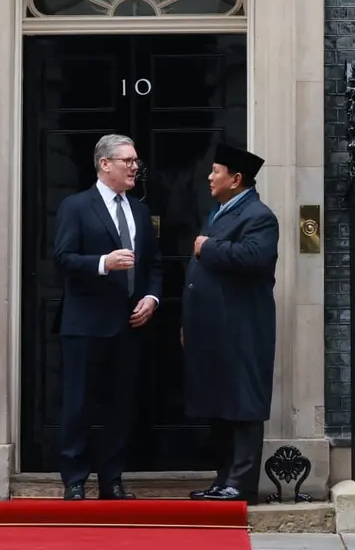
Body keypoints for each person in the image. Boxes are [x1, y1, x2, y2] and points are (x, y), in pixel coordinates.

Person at [52, 134, 162, 501]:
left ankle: (112, 479)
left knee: (120, 405)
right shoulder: (76, 206)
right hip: (84, 324)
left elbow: (155, 265)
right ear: (104, 164)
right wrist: (103, 263)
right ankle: (75, 479)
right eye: (128, 160)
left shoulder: (141, 212)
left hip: (128, 324)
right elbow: (63, 259)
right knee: (79, 404)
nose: (135, 167)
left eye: (135, 161)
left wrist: (151, 297)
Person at [181, 143, 279, 504]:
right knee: (220, 406)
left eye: (216, 171)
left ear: (236, 179)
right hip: (213, 329)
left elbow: (255, 257)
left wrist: (207, 248)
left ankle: (241, 483)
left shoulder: (259, 215)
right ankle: (223, 479)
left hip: (242, 329)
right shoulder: (221, 212)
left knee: (242, 406)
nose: (209, 176)